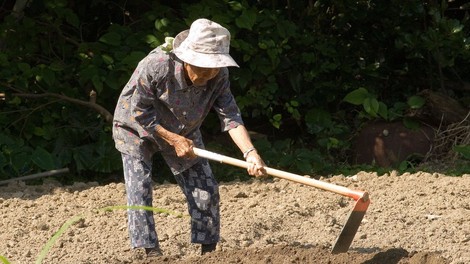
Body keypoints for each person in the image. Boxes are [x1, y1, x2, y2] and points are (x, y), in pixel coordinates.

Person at [112, 18, 267, 257]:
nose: (208, 73)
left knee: (205, 188)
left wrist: (250, 153)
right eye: (202, 66)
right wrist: (172, 139)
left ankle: (210, 253)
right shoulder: (156, 66)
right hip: (136, 127)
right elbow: (140, 112)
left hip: (184, 128)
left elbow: (231, 116)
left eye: (214, 66)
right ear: (186, 58)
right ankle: (150, 253)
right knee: (139, 187)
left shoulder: (219, 77)